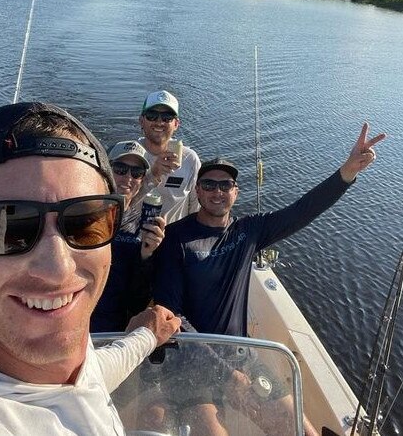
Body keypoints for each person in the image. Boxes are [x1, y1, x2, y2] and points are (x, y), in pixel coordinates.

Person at [0, 102, 180, 436]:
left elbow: (94, 374)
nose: (58, 268)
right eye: (10, 227)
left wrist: (148, 336)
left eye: (86, 222)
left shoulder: (72, 368)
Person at [152, 123, 386, 436]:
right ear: (197, 191)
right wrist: (228, 377)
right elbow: (172, 317)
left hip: (241, 356)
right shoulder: (177, 239)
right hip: (191, 361)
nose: (217, 192)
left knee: (301, 430)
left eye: (225, 185)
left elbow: (303, 211)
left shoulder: (250, 231)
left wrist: (347, 171)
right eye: (209, 185)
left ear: (236, 192)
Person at [90, 140, 165, 332]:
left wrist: (147, 255)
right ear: (105, 171)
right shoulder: (81, 214)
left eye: (137, 173)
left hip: (115, 329)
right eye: (120, 169)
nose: (128, 178)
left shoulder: (142, 225)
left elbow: (138, 299)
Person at [137, 90, 201, 223]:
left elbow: (196, 208)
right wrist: (153, 174)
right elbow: (118, 203)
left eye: (167, 117)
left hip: (174, 239)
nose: (159, 122)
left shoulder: (190, 159)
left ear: (176, 124)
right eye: (152, 115)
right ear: (141, 121)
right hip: (132, 238)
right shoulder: (128, 156)